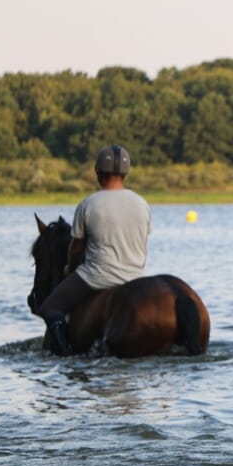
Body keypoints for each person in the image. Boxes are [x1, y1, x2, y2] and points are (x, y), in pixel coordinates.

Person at [38, 144, 151, 355]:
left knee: (49, 308)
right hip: (136, 278)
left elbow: (76, 250)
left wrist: (69, 269)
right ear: (126, 173)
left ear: (98, 172)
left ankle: (65, 354)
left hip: (97, 276)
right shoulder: (142, 204)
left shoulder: (88, 204)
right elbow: (142, 246)